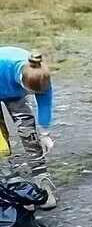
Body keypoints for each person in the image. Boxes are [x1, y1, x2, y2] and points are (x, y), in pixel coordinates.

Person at [1, 46, 57, 208]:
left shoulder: (40, 76)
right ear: (21, 80)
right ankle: (10, 179)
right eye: (30, 92)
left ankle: (41, 177)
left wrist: (45, 133)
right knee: (0, 139)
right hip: (2, 77)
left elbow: (45, 105)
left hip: (15, 93)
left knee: (27, 129)